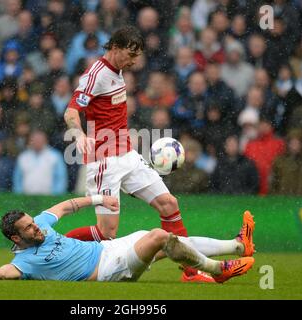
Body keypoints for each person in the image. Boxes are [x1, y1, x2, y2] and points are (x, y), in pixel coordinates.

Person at [63, 26, 212, 282]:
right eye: (131, 55)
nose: (134, 62)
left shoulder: (118, 71)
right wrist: (78, 134)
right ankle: (54, 248)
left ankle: (190, 272)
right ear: (116, 47)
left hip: (128, 155)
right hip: (104, 162)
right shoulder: (95, 74)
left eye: (137, 56)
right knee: (106, 233)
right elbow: (71, 111)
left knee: (169, 204)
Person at [0, 194, 255, 283]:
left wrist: (96, 199)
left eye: (33, 223)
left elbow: (65, 206)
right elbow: (0, 272)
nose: (36, 228)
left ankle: (239, 245)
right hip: (109, 270)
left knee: (169, 239)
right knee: (161, 236)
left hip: (107, 248)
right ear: (15, 237)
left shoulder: (39, 223)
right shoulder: (23, 263)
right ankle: (217, 270)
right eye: (28, 229)